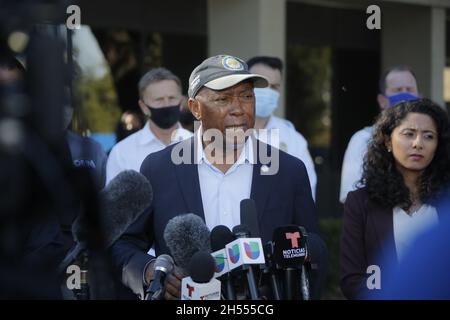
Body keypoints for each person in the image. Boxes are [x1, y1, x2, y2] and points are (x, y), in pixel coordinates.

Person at [111, 55, 319, 300]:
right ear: (195, 108)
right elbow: (122, 245)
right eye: (223, 99)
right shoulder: (159, 169)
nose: (239, 109)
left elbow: (311, 254)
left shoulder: (289, 171)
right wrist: (152, 272)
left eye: (247, 96)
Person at [340, 98, 450, 299]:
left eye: (428, 136)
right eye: (409, 134)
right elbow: (352, 280)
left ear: (438, 145)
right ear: (388, 141)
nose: (418, 143)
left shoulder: (446, 202)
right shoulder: (360, 202)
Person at [339, 65, 420, 203]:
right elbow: (350, 197)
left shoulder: (428, 139)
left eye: (410, 89)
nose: (405, 95)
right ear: (382, 100)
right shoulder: (362, 140)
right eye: (398, 90)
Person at [106, 68, 193, 184]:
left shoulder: (200, 147)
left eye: (172, 98)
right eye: (159, 100)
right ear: (144, 107)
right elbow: (115, 200)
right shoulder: (122, 153)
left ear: (181, 101)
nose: (166, 104)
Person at [247, 56, 317, 199]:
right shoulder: (225, 133)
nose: (268, 91)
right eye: (262, 84)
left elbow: (306, 189)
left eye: (274, 86)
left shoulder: (293, 139)